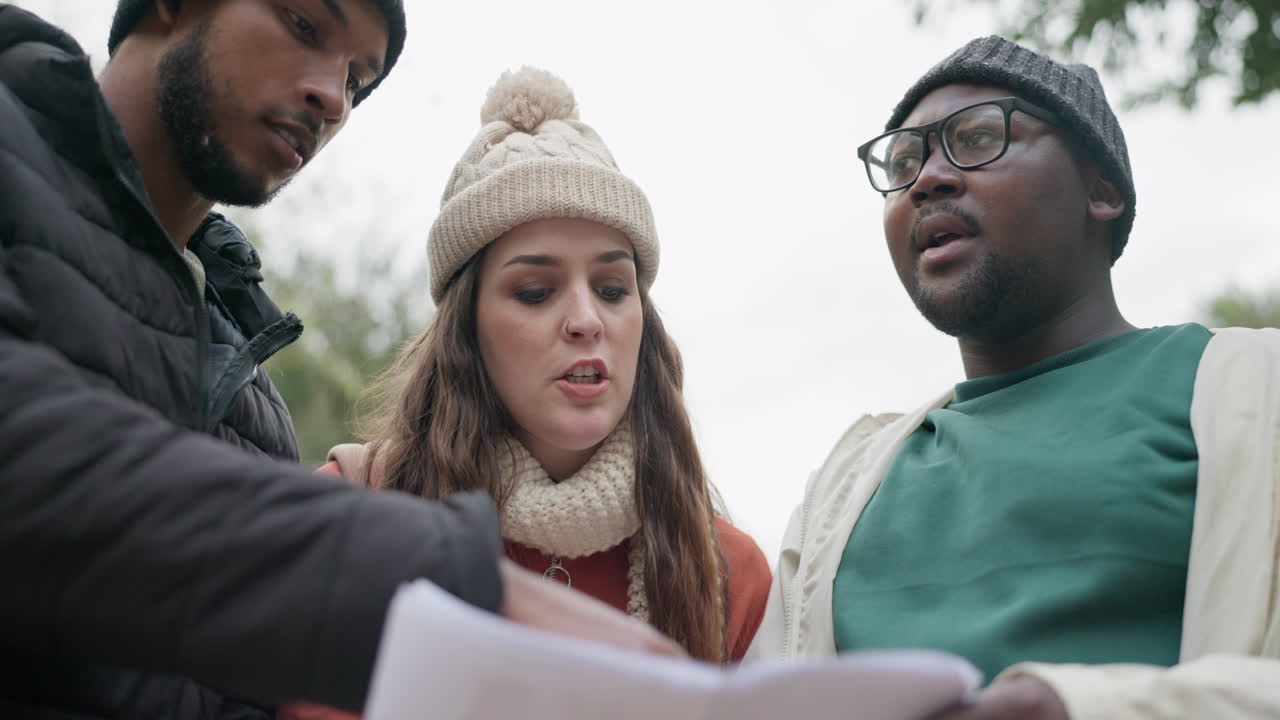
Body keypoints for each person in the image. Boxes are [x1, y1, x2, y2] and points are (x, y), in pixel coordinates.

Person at [0, 3, 678, 719]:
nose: (331, 97)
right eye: (305, 25)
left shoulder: (251, 403)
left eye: (358, 79)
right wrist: (444, 586)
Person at [747, 35, 1280, 719]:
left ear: (1101, 189)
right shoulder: (847, 484)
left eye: (975, 138)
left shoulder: (1253, 388)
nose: (926, 179)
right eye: (904, 161)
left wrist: (1073, 706)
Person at [321, 67, 772, 662]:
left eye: (613, 289)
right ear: (466, 328)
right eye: (535, 291)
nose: (586, 319)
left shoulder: (727, 575)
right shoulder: (355, 514)